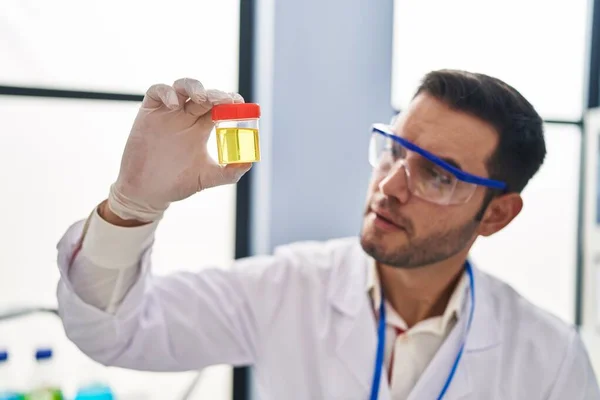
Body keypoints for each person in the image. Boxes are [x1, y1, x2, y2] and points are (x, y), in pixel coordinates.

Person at [56, 71, 600, 400]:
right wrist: (133, 204)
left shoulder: (550, 361)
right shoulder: (287, 288)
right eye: (394, 149)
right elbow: (115, 335)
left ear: (497, 214)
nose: (389, 185)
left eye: (437, 174)